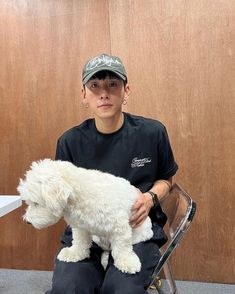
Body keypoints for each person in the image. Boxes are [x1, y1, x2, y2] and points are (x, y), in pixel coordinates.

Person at [46, 53, 178, 294]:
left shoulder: (152, 132)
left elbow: (167, 179)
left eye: (112, 84)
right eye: (94, 86)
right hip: (88, 232)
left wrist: (149, 198)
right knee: (69, 288)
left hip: (135, 230)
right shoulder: (70, 141)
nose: (104, 93)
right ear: (84, 94)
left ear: (126, 91)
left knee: (121, 289)